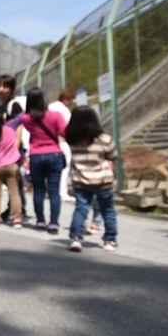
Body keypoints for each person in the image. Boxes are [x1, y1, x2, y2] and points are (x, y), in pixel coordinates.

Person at [65, 106, 119, 252]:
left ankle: (76, 238)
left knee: (81, 210)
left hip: (81, 181)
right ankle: (110, 240)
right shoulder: (105, 139)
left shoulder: (72, 140)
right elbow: (113, 155)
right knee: (108, 210)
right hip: (103, 181)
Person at [20, 86, 67, 233]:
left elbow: (29, 127)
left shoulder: (26, 119)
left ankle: (40, 221)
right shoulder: (56, 116)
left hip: (36, 156)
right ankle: (53, 223)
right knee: (54, 191)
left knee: (38, 190)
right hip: (54, 154)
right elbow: (65, 132)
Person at [0, 74, 26, 222]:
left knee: (14, 181)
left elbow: (20, 125)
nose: (1, 89)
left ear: (11, 88)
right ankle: (15, 209)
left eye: (5, 86)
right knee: (5, 181)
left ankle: (18, 210)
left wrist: (16, 146)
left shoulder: (14, 105)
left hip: (12, 150)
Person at [49, 88, 76, 200]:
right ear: (66, 99)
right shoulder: (64, 111)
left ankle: (53, 192)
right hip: (61, 142)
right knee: (64, 169)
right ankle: (62, 193)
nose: (71, 103)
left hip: (48, 144)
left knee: (52, 171)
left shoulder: (50, 107)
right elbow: (68, 128)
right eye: (71, 100)